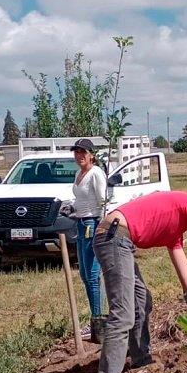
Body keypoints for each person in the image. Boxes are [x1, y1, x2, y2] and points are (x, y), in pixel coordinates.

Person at [93, 190, 187, 373]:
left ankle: (141, 360)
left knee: (142, 300)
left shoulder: (175, 231)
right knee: (122, 313)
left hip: (116, 237)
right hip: (115, 237)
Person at [70, 138, 107, 340]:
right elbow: (81, 199)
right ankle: (97, 317)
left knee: (93, 275)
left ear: (92, 154)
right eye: (76, 152)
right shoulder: (79, 173)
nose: (79, 156)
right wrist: (71, 208)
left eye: (82, 152)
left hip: (92, 225)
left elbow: (102, 203)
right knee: (84, 274)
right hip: (80, 224)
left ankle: (98, 321)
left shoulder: (96, 174)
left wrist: (101, 229)